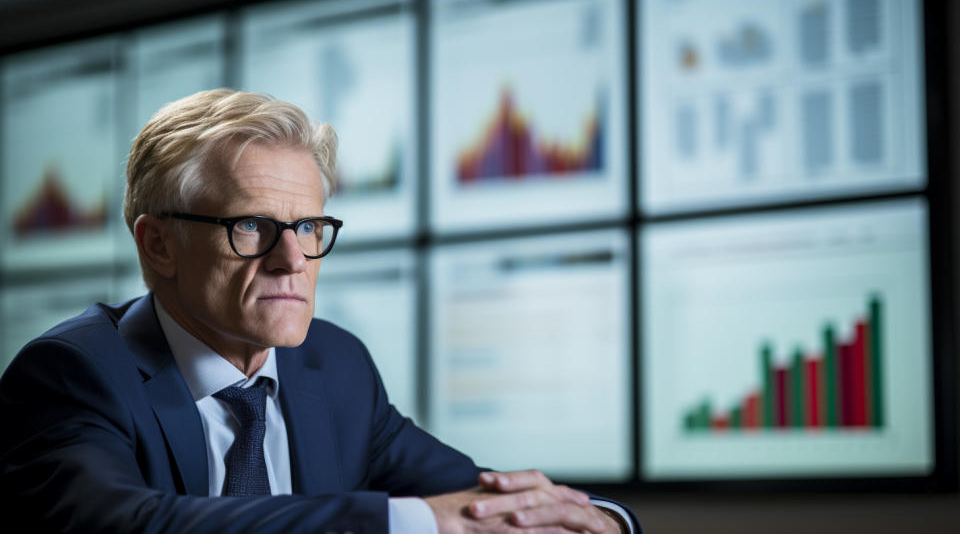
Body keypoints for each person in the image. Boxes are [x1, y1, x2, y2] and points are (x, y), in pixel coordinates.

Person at [0, 89, 639, 533]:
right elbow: (125, 524)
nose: (292, 261)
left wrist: (600, 521)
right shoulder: (73, 374)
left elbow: (486, 496)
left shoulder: (334, 365)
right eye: (251, 226)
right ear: (158, 244)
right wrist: (407, 522)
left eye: (308, 226)